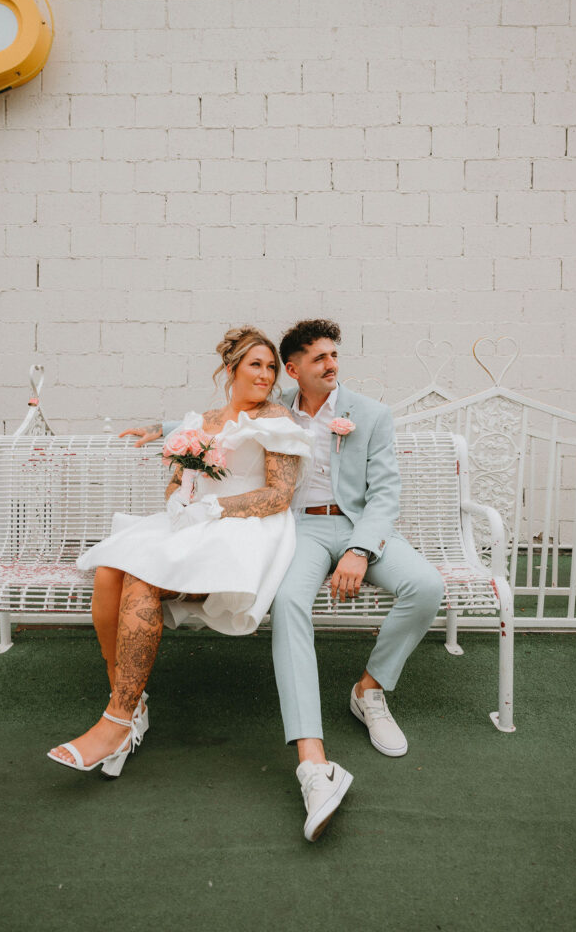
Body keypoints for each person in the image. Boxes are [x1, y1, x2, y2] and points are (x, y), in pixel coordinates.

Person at [136, 319, 444, 842]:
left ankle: (368, 691)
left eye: (334, 355)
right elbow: (225, 422)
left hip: (355, 524)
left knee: (426, 587)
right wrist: (164, 427)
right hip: (296, 528)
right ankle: (310, 751)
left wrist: (359, 549)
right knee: (290, 604)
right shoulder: (274, 405)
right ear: (295, 368)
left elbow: (386, 494)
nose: (331, 364)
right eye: (318, 358)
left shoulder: (369, 414)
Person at [47, 326, 314, 777]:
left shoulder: (275, 421)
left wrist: (213, 507)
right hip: (194, 521)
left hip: (246, 526)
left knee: (143, 578)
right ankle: (126, 702)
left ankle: (116, 720)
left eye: (271, 367)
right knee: (112, 570)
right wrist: (179, 493)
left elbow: (278, 496)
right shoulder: (202, 421)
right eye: (256, 364)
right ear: (231, 370)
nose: (267, 374)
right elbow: (182, 478)